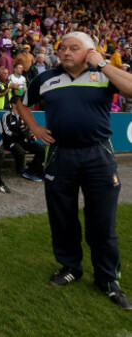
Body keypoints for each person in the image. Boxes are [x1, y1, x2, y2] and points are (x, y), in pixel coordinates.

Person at [17, 31, 132, 310]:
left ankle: (107, 279)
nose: (66, 52)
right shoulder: (45, 79)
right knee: (62, 217)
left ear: (90, 51)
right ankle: (71, 267)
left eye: (74, 48)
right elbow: (21, 103)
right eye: (62, 48)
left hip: (98, 155)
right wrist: (34, 128)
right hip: (60, 155)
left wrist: (102, 63)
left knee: (102, 222)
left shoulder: (104, 74)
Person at [0, 95, 44, 182]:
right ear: (13, 104)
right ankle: (21, 171)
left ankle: (31, 171)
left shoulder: (24, 115)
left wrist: (31, 134)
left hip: (24, 140)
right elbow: (7, 131)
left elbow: (28, 128)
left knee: (41, 149)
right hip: (11, 141)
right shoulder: (6, 116)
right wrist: (20, 134)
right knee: (20, 151)